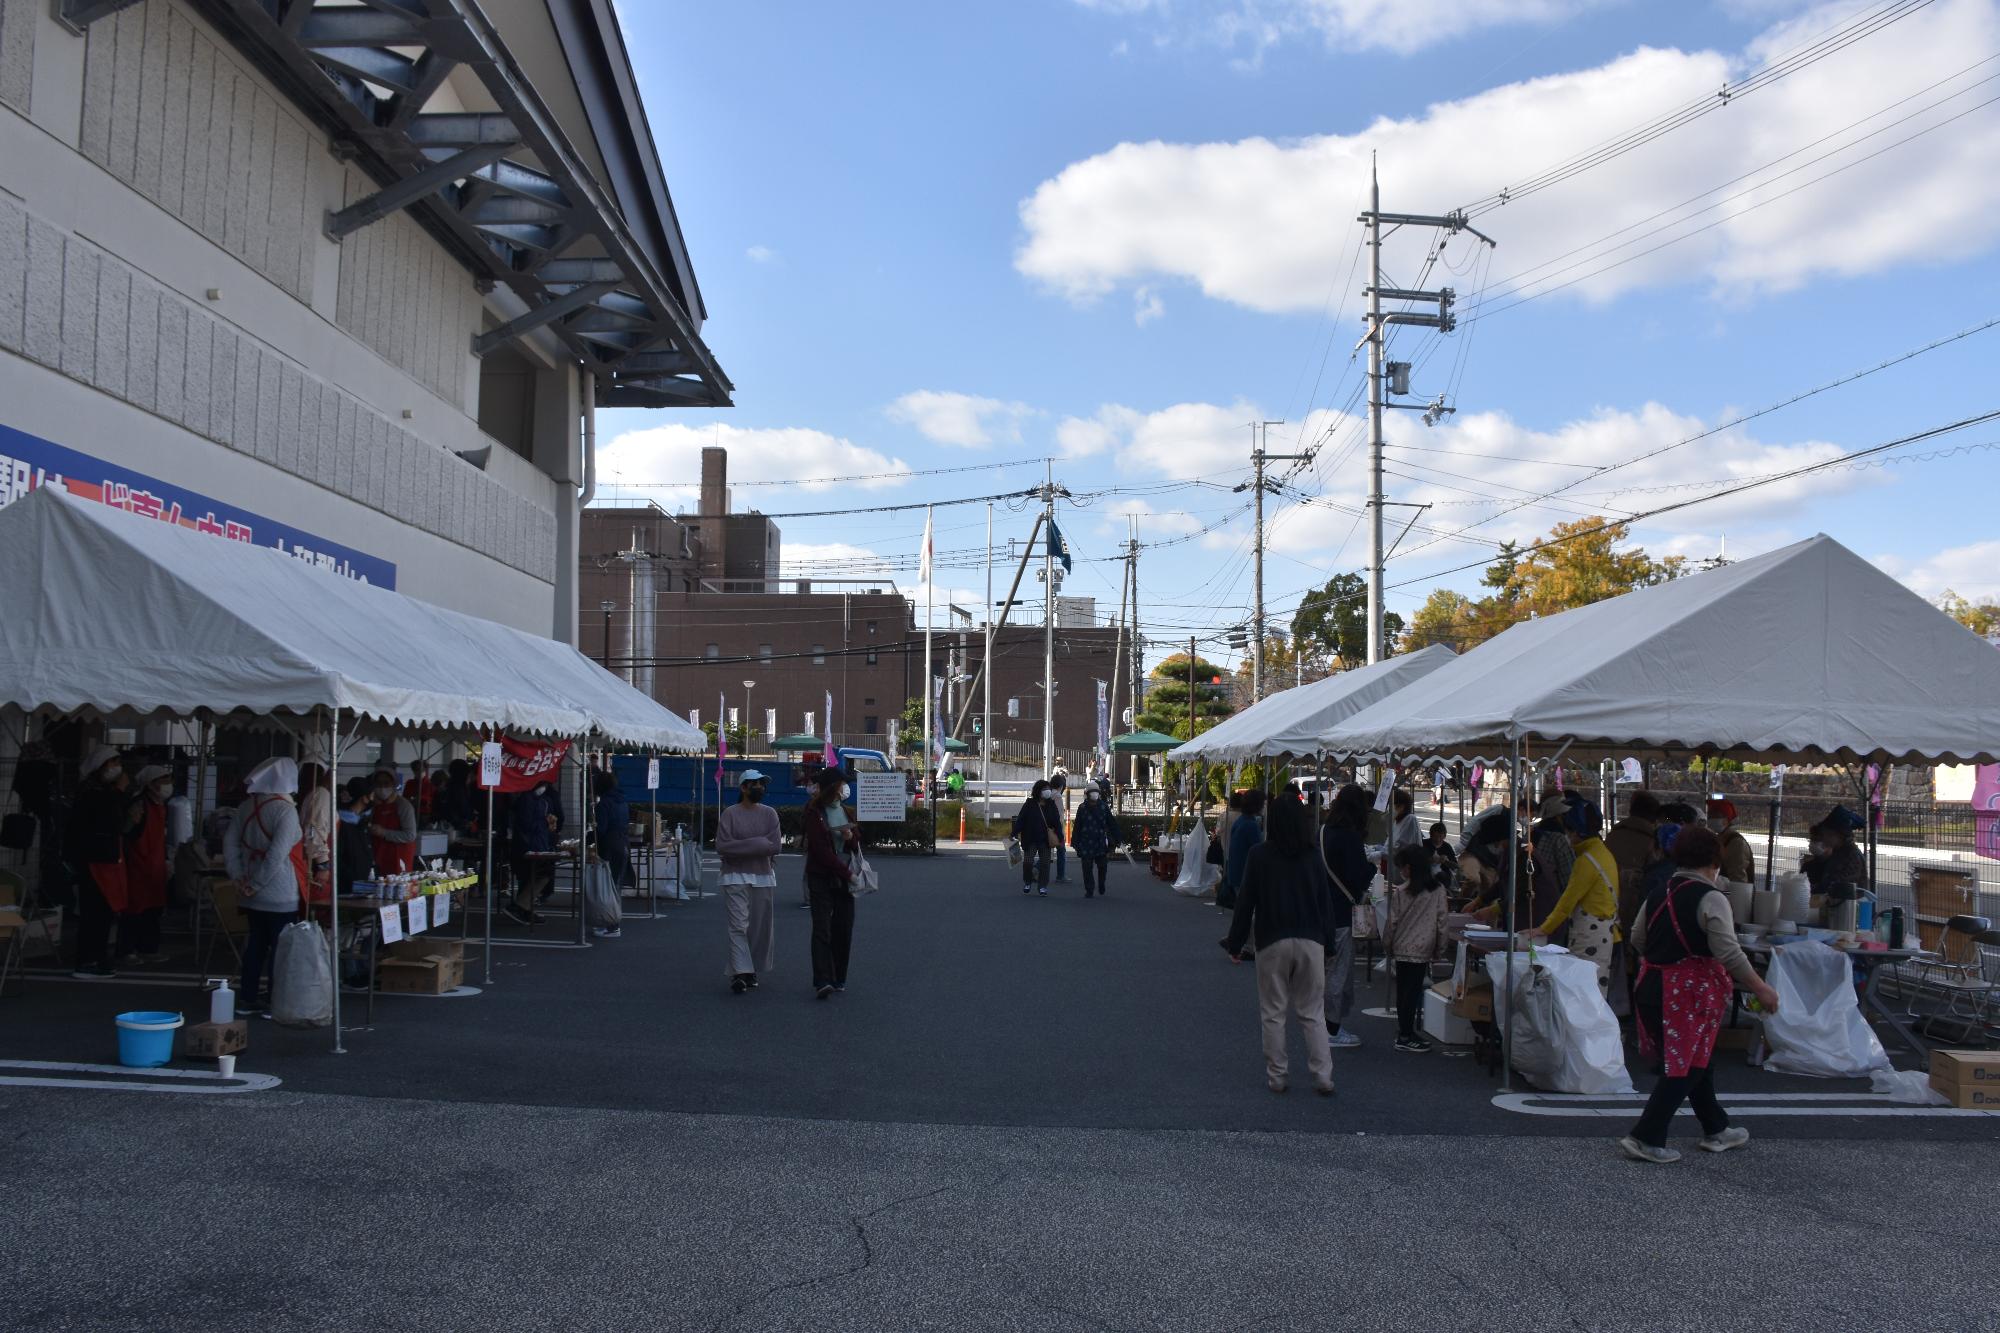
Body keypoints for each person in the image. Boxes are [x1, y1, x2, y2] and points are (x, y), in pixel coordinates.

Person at [1620, 824, 1780, 1164]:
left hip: (1652, 987)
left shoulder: (1659, 891)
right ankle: (1645, 1136)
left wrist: (1664, 955)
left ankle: (1716, 1128)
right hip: (1688, 995)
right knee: (1686, 1066)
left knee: (1697, 1061)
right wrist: (1761, 987)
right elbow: (1729, 953)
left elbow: (1637, 938)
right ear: (1714, 861)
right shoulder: (1712, 897)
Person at [1220, 795, 1336, 1096]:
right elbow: (1325, 903)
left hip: (1272, 938)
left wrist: (1235, 943)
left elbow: (1246, 902)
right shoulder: (1313, 855)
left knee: (1273, 1012)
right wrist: (1330, 942)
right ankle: (1322, 1075)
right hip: (1311, 939)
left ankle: (1277, 1076)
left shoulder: (1259, 855)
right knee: (1312, 1012)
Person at [222, 757, 306, 1018]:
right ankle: (274, 999)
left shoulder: (246, 806)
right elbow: (278, 855)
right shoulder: (285, 810)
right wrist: (258, 883)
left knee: (255, 944)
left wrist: (238, 877)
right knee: (280, 949)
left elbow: (229, 843)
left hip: (249, 888)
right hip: (280, 891)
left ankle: (247, 998)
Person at [1532, 798, 1620, 999]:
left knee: (1583, 993)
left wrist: (1543, 929)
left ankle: (1585, 1031)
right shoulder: (1602, 853)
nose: (1568, 836)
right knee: (1596, 991)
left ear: (1578, 832)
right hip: (1605, 933)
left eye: (1570, 831)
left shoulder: (1586, 861)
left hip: (1590, 936)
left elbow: (1567, 902)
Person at [64, 746, 135, 979]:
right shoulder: (92, 792)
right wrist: (120, 794)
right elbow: (108, 819)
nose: (117, 767)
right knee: (94, 913)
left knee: (104, 913)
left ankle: (99, 957)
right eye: (112, 762)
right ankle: (87, 960)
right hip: (94, 860)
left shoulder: (103, 791)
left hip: (106, 859)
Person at [715, 769, 782, 989]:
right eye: (755, 784)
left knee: (759, 927)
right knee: (738, 925)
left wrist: (742, 848)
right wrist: (759, 844)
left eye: (762, 784)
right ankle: (741, 973)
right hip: (734, 876)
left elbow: (775, 846)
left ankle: (749, 968)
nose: (760, 788)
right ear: (743, 787)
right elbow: (722, 846)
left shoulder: (770, 813)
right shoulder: (730, 814)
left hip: (763, 876)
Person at [1319, 784, 1373, 1050]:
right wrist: (1372, 867)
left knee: (1323, 970)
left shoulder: (1323, 831)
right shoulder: (1350, 836)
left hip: (1320, 909)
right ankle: (1332, 1028)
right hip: (1341, 912)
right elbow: (1359, 875)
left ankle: (1321, 1022)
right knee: (1338, 972)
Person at [1384, 843, 1447, 1052]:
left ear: (1409, 868)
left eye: (1402, 867)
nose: (1401, 871)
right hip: (1423, 949)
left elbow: (1391, 923)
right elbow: (1442, 923)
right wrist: (1440, 949)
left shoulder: (1401, 892)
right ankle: (1406, 1034)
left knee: (1403, 991)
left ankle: (1405, 1031)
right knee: (1413, 991)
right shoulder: (1438, 890)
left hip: (1402, 947)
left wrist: (1388, 945)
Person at [803, 766, 858, 998]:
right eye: (842, 783)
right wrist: (849, 875)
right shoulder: (814, 812)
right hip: (821, 877)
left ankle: (838, 977)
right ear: (833, 788)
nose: (845, 787)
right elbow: (821, 851)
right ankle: (822, 979)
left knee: (843, 928)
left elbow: (856, 846)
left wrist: (849, 838)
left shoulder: (846, 811)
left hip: (843, 876)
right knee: (822, 928)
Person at [115, 764, 174, 965]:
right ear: (150, 784)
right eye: (163, 779)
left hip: (155, 864)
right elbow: (127, 832)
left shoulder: (161, 805)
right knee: (135, 909)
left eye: (168, 779)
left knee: (153, 910)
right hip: (137, 864)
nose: (168, 784)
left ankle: (148, 948)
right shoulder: (139, 804)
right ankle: (126, 950)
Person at [1606, 790, 1663, 940]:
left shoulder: (1613, 836)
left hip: (1607, 903)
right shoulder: (1651, 842)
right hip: (1635, 906)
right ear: (1654, 817)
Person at [503, 780, 555, 926]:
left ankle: (523, 908)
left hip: (536, 843)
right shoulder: (528, 799)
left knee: (534, 875)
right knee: (539, 874)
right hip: (529, 845)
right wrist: (545, 822)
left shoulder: (541, 799)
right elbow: (526, 824)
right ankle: (520, 906)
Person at [590, 768, 631, 939]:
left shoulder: (604, 804)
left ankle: (612, 925)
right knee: (616, 887)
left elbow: (602, 829)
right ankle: (613, 922)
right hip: (622, 844)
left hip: (609, 847)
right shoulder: (622, 801)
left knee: (609, 887)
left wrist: (589, 837)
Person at [1529, 792, 1575, 926]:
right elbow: (1568, 877)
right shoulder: (1559, 839)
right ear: (1560, 816)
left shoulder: (1531, 833)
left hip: (1528, 900)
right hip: (1552, 904)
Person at [1070, 783, 1122, 899]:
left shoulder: (1104, 807)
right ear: (1087, 794)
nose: (1094, 794)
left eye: (1096, 792)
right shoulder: (1082, 808)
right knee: (1087, 867)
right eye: (1092, 792)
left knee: (1103, 866)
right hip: (1085, 842)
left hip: (1100, 841)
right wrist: (1075, 842)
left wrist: (1117, 837)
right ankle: (1089, 889)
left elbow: (1111, 823)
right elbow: (1077, 826)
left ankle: (1101, 883)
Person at [1218, 789, 1266, 913]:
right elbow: (1258, 849)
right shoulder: (1250, 825)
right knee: (1248, 911)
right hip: (1244, 873)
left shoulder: (1242, 821)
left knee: (1243, 909)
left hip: (1236, 870)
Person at [1800, 808, 1867, 896]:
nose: (1824, 839)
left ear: (1837, 836)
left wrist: (1807, 889)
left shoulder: (1850, 856)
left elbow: (1836, 885)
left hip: (1848, 905)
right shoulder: (1840, 852)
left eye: (1825, 835)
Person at [1011, 780, 1059, 897]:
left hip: (1045, 839)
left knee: (1045, 863)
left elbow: (1057, 822)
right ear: (1038, 791)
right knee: (1028, 862)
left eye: (1048, 789)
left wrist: (1060, 837)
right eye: (1044, 789)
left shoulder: (1051, 804)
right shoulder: (1029, 804)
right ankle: (1027, 881)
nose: (1047, 791)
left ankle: (1042, 886)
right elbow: (1021, 819)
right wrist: (1014, 833)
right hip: (1030, 838)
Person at [368, 769, 419, 876]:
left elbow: (410, 835)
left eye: (386, 783)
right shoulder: (374, 805)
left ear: (394, 784)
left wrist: (383, 832)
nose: (382, 787)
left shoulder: (403, 806)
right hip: (379, 854)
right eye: (378, 783)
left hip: (399, 857)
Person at [334, 777, 373, 897]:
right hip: (347, 889)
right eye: (372, 795)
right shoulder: (341, 823)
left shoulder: (362, 822)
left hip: (361, 885)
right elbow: (339, 859)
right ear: (364, 798)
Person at [1707, 798, 1755, 884]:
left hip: (1733, 894)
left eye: (1714, 815)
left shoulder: (1736, 843)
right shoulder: (1721, 838)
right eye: (1709, 816)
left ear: (1725, 820)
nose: (1710, 819)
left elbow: (1738, 879)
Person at [299, 762, 332, 886]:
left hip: (314, 858)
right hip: (317, 863)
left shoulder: (313, 793)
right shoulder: (321, 794)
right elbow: (314, 828)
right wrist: (323, 865)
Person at [1049, 766, 1071, 882]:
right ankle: (1060, 876)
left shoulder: (1048, 794)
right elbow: (1059, 816)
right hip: (1056, 829)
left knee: (1047, 852)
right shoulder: (1057, 796)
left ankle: (1035, 870)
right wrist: (1060, 832)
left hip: (1047, 828)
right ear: (1060, 786)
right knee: (1061, 851)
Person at [1424, 821, 1459, 887]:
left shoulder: (1447, 847)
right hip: (1426, 873)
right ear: (1430, 835)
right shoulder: (1424, 844)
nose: (1438, 839)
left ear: (1444, 836)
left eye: (1440, 837)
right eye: (1435, 836)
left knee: (1442, 876)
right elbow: (1416, 860)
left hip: (1442, 876)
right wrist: (1430, 860)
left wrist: (1446, 861)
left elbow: (1455, 866)